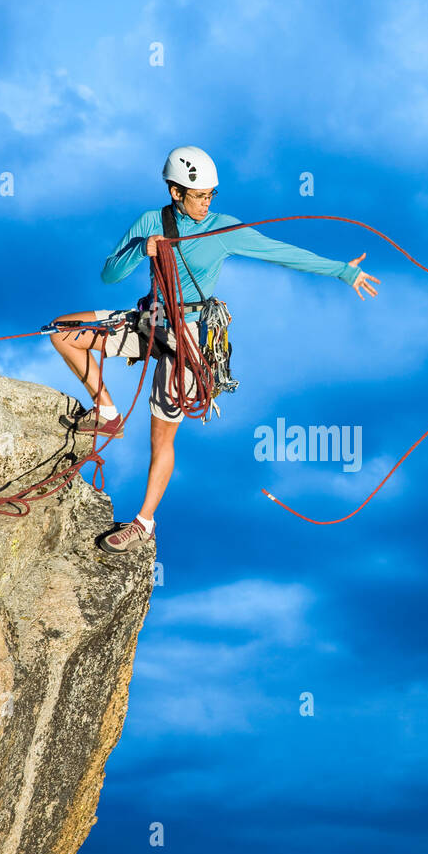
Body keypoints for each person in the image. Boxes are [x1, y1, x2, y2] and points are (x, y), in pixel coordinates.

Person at [49, 146, 380, 553]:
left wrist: (343, 271)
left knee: (161, 439)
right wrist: (142, 249)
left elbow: (283, 254)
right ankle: (107, 413)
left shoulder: (224, 230)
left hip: (189, 334)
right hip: (152, 318)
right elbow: (109, 273)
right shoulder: (151, 222)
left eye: (211, 194)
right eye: (200, 194)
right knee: (64, 331)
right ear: (175, 191)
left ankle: (144, 522)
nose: (207, 202)